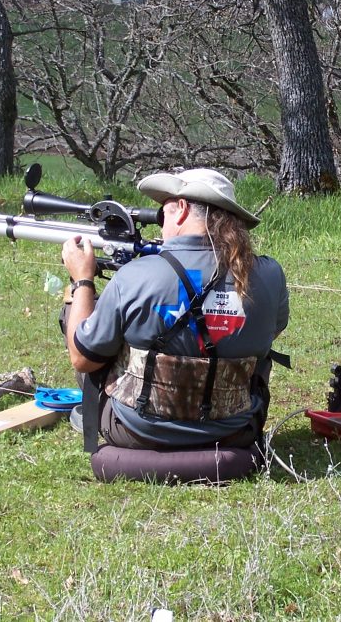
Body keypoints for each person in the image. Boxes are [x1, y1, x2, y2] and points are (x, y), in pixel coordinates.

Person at [61, 168, 289, 449]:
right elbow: (270, 334)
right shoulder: (271, 274)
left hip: (136, 431)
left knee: (89, 324)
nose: (160, 224)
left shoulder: (134, 275)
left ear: (181, 209)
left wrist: (82, 279)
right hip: (235, 428)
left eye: (163, 212)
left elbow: (83, 359)